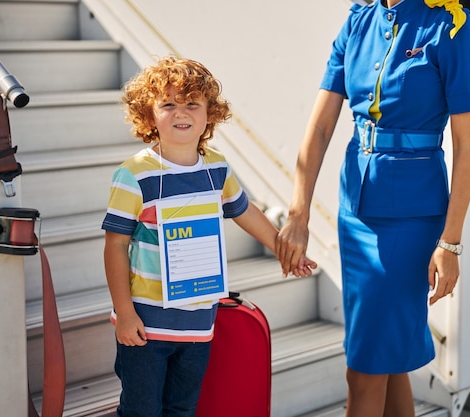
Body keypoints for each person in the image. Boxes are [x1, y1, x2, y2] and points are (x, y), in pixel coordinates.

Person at [275, 1, 470, 416]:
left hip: (412, 220)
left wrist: (451, 241)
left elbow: (466, 149)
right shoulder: (358, 20)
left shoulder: (452, 27)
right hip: (355, 215)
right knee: (384, 359)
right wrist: (299, 214)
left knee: (364, 369)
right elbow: (319, 126)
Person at [102, 55, 316, 417]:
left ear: (209, 114)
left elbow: (244, 211)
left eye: (191, 104)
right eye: (167, 104)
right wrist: (124, 313)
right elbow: (116, 246)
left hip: (199, 324)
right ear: (148, 114)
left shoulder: (216, 168)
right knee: (140, 410)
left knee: (183, 409)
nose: (180, 113)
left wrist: (283, 249)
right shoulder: (134, 174)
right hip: (146, 324)